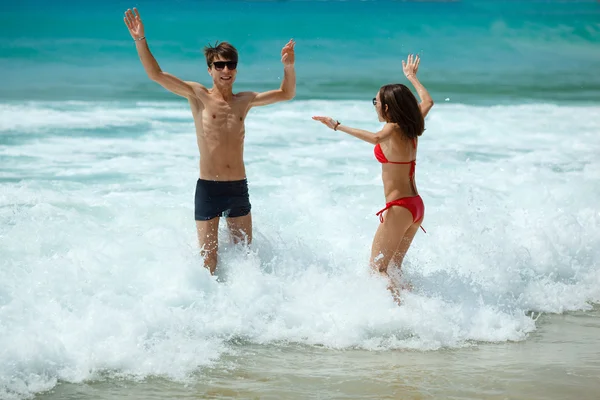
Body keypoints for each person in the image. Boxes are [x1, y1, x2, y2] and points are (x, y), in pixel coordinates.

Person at [124, 8, 296, 275]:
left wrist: (288, 67)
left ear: (236, 69)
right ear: (210, 69)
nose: (226, 70)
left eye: (231, 65)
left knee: (245, 260)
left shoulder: (245, 100)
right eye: (219, 65)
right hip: (208, 189)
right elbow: (156, 75)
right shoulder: (197, 95)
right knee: (208, 262)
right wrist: (140, 40)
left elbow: (286, 94)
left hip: (238, 187)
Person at [312, 54, 433, 294]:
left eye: (375, 102)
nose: (375, 105)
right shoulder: (412, 126)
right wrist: (412, 78)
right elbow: (427, 101)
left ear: (387, 107)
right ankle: (416, 314)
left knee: (377, 270)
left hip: (399, 208)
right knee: (394, 270)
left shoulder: (393, 127)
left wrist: (337, 125)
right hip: (416, 207)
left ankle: (397, 317)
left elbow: (375, 138)